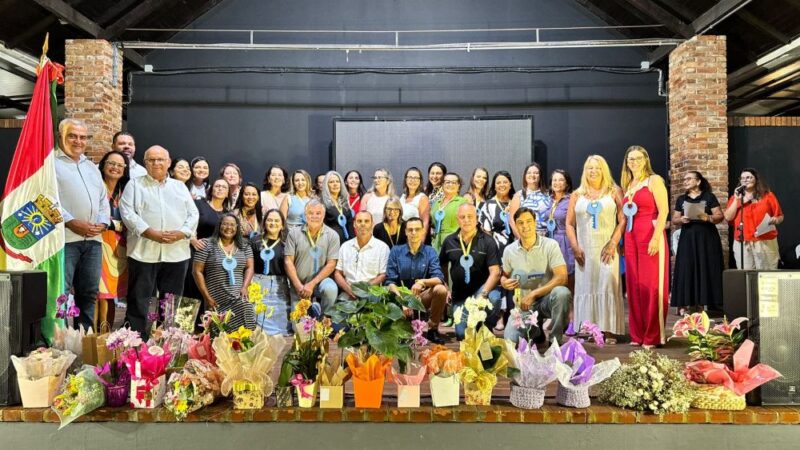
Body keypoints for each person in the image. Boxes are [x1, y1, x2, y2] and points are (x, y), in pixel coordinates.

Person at [120, 145, 199, 338]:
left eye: (160, 159)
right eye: (151, 160)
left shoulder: (180, 187)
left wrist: (183, 232)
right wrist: (149, 232)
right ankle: (135, 343)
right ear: (144, 163)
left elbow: (193, 214)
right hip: (143, 252)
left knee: (173, 302)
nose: (156, 163)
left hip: (176, 253)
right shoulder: (134, 184)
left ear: (169, 162)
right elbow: (127, 212)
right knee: (139, 299)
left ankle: (171, 344)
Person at [56, 119, 111, 331]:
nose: (78, 141)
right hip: (66, 240)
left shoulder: (91, 167)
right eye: (72, 136)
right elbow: (46, 199)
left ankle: (83, 340)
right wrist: (70, 221)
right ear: (61, 136)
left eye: (82, 137)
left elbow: (102, 200)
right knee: (61, 293)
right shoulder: (50, 164)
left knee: (88, 293)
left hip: (93, 242)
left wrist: (103, 222)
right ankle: (57, 341)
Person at [566, 155, 626, 342]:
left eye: (597, 168)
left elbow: (623, 219)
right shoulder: (577, 194)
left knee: (607, 283)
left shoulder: (614, 191)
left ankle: (609, 329)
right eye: (589, 168)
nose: (593, 171)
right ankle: (590, 327)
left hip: (607, 248)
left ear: (604, 170)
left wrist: (613, 243)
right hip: (584, 250)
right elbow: (569, 223)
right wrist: (575, 247)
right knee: (586, 285)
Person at [620, 145, 670, 349]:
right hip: (631, 237)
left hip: (650, 233)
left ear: (645, 159)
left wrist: (656, 238)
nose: (634, 162)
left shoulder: (654, 180)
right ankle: (638, 334)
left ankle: (653, 335)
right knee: (634, 286)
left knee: (652, 286)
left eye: (638, 158)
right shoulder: (629, 184)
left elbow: (664, 210)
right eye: (630, 159)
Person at [501, 207, 572, 345]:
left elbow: (562, 277)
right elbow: (503, 275)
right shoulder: (509, 250)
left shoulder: (550, 245)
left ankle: (555, 341)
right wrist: (504, 282)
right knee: (510, 340)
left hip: (547, 299)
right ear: (515, 225)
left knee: (562, 293)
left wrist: (534, 294)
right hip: (524, 306)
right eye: (520, 222)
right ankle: (536, 331)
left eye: (528, 221)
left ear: (535, 223)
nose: (525, 226)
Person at [439, 203, 502, 341]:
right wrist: (446, 287)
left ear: (476, 218)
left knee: (495, 298)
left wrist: (483, 293)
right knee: (462, 335)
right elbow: (441, 265)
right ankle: (475, 326)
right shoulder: (449, 241)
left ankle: (487, 326)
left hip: (484, 291)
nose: (466, 220)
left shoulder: (488, 241)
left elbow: (496, 272)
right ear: (457, 220)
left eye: (470, 216)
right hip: (460, 296)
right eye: (462, 217)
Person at [385, 217, 448, 344]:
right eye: (410, 230)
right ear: (406, 232)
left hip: (421, 298)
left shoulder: (430, 251)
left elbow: (439, 278)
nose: (414, 232)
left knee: (441, 289)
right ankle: (404, 326)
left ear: (423, 231)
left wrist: (422, 282)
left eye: (417, 229)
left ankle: (433, 330)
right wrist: (402, 300)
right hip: (400, 299)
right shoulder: (396, 251)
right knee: (399, 334)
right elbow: (389, 282)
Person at [671, 171, 724, 314]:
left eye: (689, 179)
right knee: (688, 268)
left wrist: (708, 217)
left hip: (706, 237)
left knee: (705, 267)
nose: (686, 181)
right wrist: (681, 220)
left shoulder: (708, 197)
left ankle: (706, 304)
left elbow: (719, 216)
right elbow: (675, 219)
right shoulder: (682, 199)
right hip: (688, 237)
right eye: (684, 180)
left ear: (698, 181)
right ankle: (688, 304)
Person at [193, 213, 255, 330]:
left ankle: (248, 345)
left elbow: (249, 267)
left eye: (232, 225)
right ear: (219, 226)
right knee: (220, 333)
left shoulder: (245, 245)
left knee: (246, 311)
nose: (228, 227)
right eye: (225, 224)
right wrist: (207, 297)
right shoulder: (206, 244)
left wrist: (245, 287)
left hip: (238, 295)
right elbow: (197, 271)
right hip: (215, 299)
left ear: (237, 227)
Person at [284, 199, 340, 317]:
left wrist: (312, 284)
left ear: (324, 215)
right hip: (299, 285)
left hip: (321, 283)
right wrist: (299, 286)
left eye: (318, 213)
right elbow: (288, 261)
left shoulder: (333, 235)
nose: (314, 216)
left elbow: (331, 263)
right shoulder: (294, 233)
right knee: (299, 329)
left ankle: (324, 321)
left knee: (331, 288)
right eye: (310, 213)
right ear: (305, 215)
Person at [184, 177, 230, 317]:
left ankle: (206, 326)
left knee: (209, 290)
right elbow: (185, 220)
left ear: (228, 193)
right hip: (196, 252)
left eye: (224, 187)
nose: (220, 189)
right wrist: (192, 239)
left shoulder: (227, 214)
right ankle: (185, 329)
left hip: (215, 258)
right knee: (191, 288)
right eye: (217, 186)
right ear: (211, 189)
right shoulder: (199, 204)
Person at [724, 168, 784, 270]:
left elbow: (780, 216)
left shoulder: (767, 195)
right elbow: (728, 217)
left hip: (765, 239)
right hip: (743, 240)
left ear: (756, 179)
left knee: (766, 273)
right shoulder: (736, 197)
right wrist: (736, 199)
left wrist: (776, 220)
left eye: (748, 177)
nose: (745, 180)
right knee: (746, 274)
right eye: (742, 178)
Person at [96, 150, 130, 329]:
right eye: (111, 163)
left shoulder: (126, 190)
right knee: (96, 293)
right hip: (96, 242)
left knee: (110, 294)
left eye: (120, 165)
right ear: (103, 165)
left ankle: (105, 335)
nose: (115, 168)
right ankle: (91, 337)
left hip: (119, 249)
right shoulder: (95, 185)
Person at [479, 170, 516, 331]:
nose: (502, 185)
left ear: (510, 184)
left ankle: (514, 314)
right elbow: (485, 231)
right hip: (496, 248)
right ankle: (500, 315)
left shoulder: (516, 202)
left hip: (516, 247)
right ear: (494, 185)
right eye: (498, 182)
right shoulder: (488, 205)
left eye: (505, 182)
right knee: (499, 278)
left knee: (515, 278)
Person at [250, 209, 291, 334]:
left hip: (280, 287)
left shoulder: (287, 243)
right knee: (257, 327)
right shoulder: (255, 241)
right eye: (269, 220)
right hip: (258, 285)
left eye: (277, 220)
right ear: (264, 223)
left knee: (282, 328)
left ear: (282, 225)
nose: (273, 223)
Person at [334, 211, 390, 302]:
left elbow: (383, 275)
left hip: (372, 295)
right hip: (347, 295)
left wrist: (362, 290)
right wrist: (348, 289)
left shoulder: (382, 248)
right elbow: (337, 273)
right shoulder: (345, 246)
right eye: (359, 221)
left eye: (366, 221)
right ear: (354, 224)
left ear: (372, 224)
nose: (363, 224)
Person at [547, 170, 575, 290]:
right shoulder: (549, 200)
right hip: (550, 239)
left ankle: (571, 307)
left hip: (565, 241)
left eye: (561, 180)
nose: (557, 182)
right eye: (554, 180)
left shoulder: (571, 200)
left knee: (567, 276)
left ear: (567, 184)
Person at [509, 162, 551, 237]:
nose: (532, 175)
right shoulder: (518, 195)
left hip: (546, 237)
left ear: (540, 176)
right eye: (529, 173)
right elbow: (512, 221)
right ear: (525, 176)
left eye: (536, 173)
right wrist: (520, 239)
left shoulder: (548, 195)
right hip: (525, 236)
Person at [430, 172, 467, 251]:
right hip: (436, 244)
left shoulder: (463, 202)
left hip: (454, 244)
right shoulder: (436, 203)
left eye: (454, 182)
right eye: (447, 182)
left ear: (458, 185)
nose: (450, 184)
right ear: (442, 184)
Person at [320, 171, 355, 243]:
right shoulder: (322, 204)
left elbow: (350, 225)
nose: (335, 184)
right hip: (330, 244)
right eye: (331, 182)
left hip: (347, 244)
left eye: (337, 181)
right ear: (326, 185)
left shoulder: (344, 203)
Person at [400, 167, 430, 234]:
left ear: (420, 181)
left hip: (414, 235)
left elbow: (425, 223)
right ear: (406, 180)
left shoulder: (422, 198)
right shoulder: (402, 197)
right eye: (410, 177)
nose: (412, 180)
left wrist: (421, 242)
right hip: (401, 235)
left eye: (416, 178)